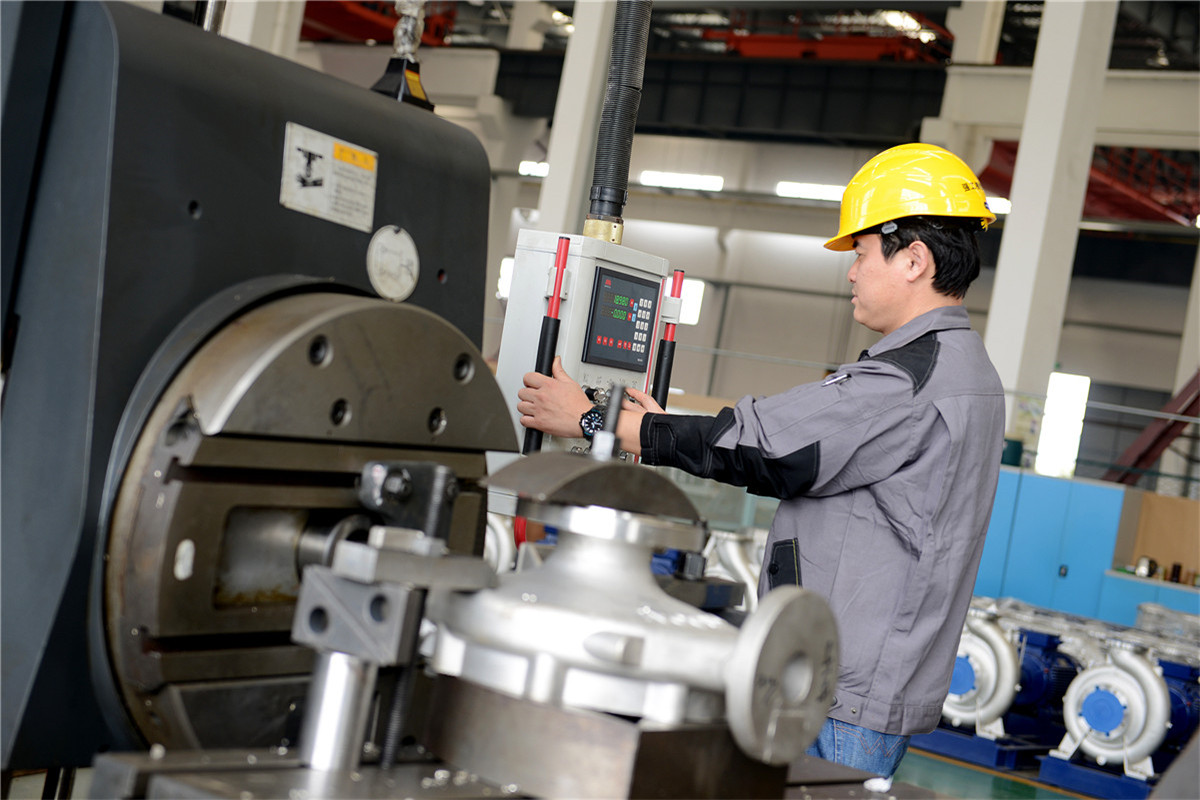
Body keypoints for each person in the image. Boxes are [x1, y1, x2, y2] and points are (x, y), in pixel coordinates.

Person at [516, 143, 1006, 778]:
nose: (852, 273)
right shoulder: (968, 373)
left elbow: (768, 444)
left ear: (913, 260)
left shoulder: (906, 381)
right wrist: (655, 424)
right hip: (873, 677)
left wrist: (596, 420)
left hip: (841, 690)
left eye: (860, 253)